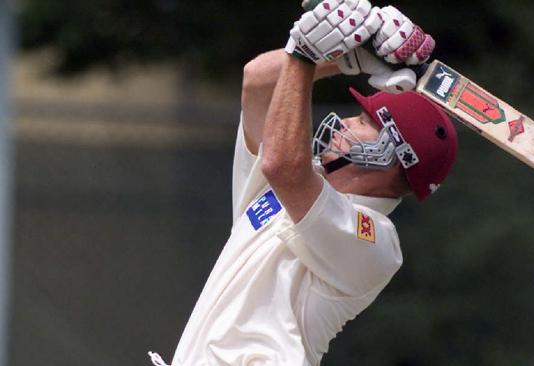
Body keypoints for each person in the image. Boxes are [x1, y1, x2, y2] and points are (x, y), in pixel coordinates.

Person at [149, 1, 458, 365]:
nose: (344, 122)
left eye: (362, 121)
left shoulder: (377, 244)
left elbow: (283, 166)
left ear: (394, 154)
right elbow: (257, 81)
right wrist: (348, 57)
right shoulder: (283, 184)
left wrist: (307, 51)